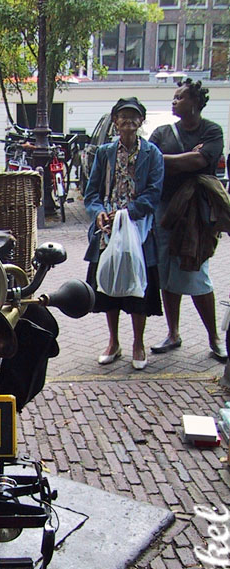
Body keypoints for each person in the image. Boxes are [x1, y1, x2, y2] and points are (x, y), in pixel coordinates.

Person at [149, 78, 228, 362]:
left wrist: (168, 159)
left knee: (196, 271)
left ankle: (214, 338)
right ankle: (173, 333)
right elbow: (151, 161)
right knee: (168, 272)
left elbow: (198, 163)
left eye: (180, 97)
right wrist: (183, 158)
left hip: (197, 212)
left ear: (195, 103)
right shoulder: (161, 131)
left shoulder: (212, 130)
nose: (174, 101)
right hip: (165, 210)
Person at [84, 97, 164, 370]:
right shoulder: (104, 153)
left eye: (134, 116)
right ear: (115, 122)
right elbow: (91, 192)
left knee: (138, 289)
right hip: (107, 231)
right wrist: (99, 212)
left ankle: (138, 343)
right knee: (109, 286)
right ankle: (113, 341)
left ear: (141, 121)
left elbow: (154, 193)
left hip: (137, 230)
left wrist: (127, 214)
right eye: (123, 116)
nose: (128, 121)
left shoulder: (152, 153)